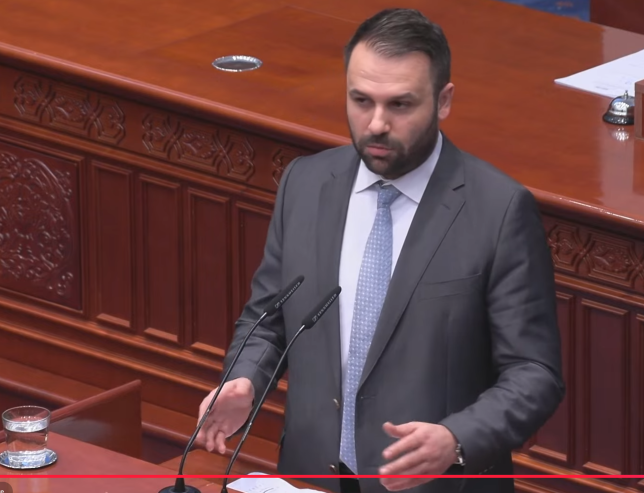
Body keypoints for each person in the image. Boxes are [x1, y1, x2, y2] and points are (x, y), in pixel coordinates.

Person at [196, 8, 564, 493]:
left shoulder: (498, 210)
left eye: (400, 105)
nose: (375, 123)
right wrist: (245, 378)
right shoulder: (306, 183)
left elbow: (535, 373)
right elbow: (269, 319)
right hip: (313, 476)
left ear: (443, 101)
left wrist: (457, 438)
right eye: (360, 100)